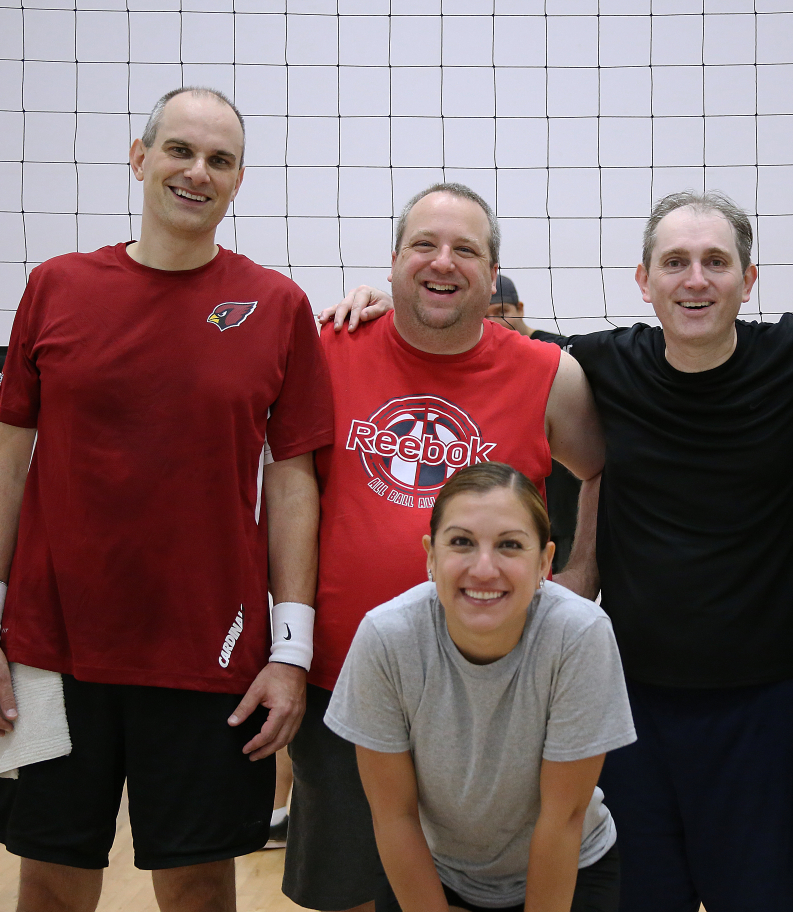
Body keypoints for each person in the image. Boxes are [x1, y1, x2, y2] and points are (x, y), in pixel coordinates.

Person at [336, 190, 793, 912]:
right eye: (675, 262)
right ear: (644, 280)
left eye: (716, 262)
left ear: (748, 279)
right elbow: (470, 333)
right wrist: (383, 306)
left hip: (770, 712)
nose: (695, 279)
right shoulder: (601, 364)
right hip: (631, 711)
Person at [0, 86, 334, 911]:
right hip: (42, 657)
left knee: (199, 887)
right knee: (47, 882)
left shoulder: (278, 307)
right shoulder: (55, 286)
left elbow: (293, 485)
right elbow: (7, 464)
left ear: (238, 181)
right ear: (140, 158)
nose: (198, 172)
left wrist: (291, 652)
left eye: (220, 160)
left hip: (213, 659)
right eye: (180, 151)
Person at [285, 183, 605, 912]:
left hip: (495, 691)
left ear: (493, 276)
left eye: (466, 249)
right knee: (353, 892)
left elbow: (600, 468)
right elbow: (284, 487)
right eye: (424, 245)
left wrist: (583, 567)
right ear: (393, 262)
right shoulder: (326, 349)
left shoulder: (547, 372)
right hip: (345, 678)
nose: (443, 262)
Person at [326, 462, 636, 912]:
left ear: (544, 562)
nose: (484, 569)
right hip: (435, 868)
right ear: (431, 556)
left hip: (572, 861)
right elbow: (394, 816)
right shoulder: (386, 637)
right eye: (461, 542)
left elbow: (564, 818)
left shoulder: (579, 634)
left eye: (510, 545)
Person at [486, 274, 582, 573]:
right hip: (510, 510)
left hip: (561, 511)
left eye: (503, 310)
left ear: (520, 308)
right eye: (486, 315)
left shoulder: (557, 353)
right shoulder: (483, 359)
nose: (496, 321)